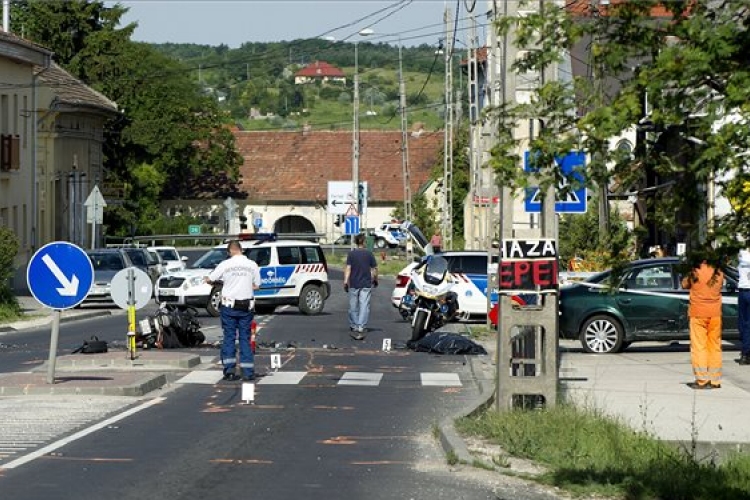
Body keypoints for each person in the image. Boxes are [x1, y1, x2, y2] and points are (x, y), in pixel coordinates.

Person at [204, 240, 261, 381]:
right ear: (241, 250)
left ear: (229, 251)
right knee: (245, 339)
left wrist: (212, 280)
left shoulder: (225, 264)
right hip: (246, 307)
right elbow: (257, 285)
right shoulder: (252, 265)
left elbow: (210, 279)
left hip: (229, 306)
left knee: (229, 337)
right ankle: (247, 372)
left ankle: (229, 370)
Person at [680, 259, 724, 389]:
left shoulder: (695, 271)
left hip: (698, 313)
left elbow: (684, 284)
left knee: (699, 347)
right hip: (715, 313)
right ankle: (715, 380)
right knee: (714, 346)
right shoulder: (718, 271)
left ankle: (702, 380)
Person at [344, 233, 378, 340]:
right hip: (366, 284)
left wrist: (345, 281)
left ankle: (354, 325)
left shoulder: (351, 254)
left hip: (354, 283)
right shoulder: (369, 254)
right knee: (364, 305)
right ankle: (361, 326)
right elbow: (374, 269)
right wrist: (375, 279)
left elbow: (348, 268)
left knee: (353, 305)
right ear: (364, 242)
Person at [737, 248, 750, 365]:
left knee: (744, 324)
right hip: (743, 291)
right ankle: (746, 353)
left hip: (744, 291)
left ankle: (745, 353)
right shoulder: (742, 253)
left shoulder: (742, 254)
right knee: (745, 324)